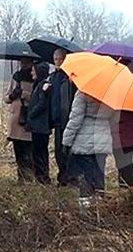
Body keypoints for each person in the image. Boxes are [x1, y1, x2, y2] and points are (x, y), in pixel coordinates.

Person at [62, 90, 118, 200]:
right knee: (98, 175)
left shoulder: (83, 93)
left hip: (84, 142)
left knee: (84, 178)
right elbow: (115, 118)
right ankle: (100, 204)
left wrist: (66, 142)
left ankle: (86, 206)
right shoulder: (111, 94)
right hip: (103, 141)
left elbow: (75, 120)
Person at [43, 48, 76, 185]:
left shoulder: (70, 77)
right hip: (56, 119)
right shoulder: (52, 77)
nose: (57, 62)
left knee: (68, 150)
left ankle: (71, 178)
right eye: (55, 59)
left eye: (60, 59)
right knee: (58, 152)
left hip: (67, 119)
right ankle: (63, 177)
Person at [112, 60, 133, 187]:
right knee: (125, 163)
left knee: (124, 164)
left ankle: (128, 190)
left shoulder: (122, 87)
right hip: (128, 133)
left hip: (122, 133)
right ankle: (128, 189)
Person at [5, 59, 34, 182]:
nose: (23, 65)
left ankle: (29, 176)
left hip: (27, 118)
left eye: (26, 63)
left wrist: (23, 94)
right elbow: (6, 97)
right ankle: (21, 177)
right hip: (16, 119)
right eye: (22, 63)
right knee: (18, 151)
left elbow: (36, 97)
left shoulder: (35, 78)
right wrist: (11, 96)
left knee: (28, 151)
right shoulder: (15, 77)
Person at [26, 62, 52, 184]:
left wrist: (31, 113)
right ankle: (42, 177)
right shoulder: (40, 84)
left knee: (39, 153)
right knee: (40, 152)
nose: (31, 73)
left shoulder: (43, 85)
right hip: (40, 126)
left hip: (40, 126)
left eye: (33, 71)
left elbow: (42, 103)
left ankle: (42, 178)